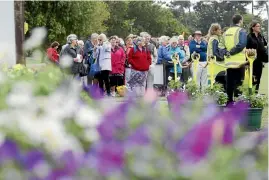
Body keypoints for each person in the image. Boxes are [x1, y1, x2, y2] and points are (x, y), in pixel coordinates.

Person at [224, 14, 247, 104]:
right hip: (239, 63)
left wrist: (227, 52)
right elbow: (241, 44)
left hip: (229, 62)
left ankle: (229, 102)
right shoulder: (241, 30)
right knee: (239, 83)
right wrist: (232, 52)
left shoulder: (226, 32)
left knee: (229, 83)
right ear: (240, 21)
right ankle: (238, 102)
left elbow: (221, 46)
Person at [246, 21, 268, 93]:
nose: (259, 27)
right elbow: (246, 49)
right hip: (252, 61)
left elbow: (265, 46)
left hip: (259, 61)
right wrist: (246, 62)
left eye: (259, 26)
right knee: (252, 79)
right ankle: (251, 95)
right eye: (258, 26)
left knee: (258, 78)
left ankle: (256, 94)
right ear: (253, 27)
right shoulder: (249, 37)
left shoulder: (261, 36)